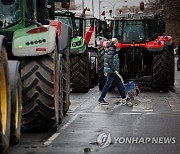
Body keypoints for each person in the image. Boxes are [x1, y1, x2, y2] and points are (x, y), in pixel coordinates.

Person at [98, 38, 127, 105]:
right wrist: (114, 69)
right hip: (111, 71)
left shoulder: (112, 48)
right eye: (116, 42)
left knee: (119, 83)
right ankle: (101, 99)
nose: (117, 44)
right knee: (108, 84)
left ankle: (124, 97)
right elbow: (109, 60)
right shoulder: (111, 49)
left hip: (113, 70)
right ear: (114, 43)